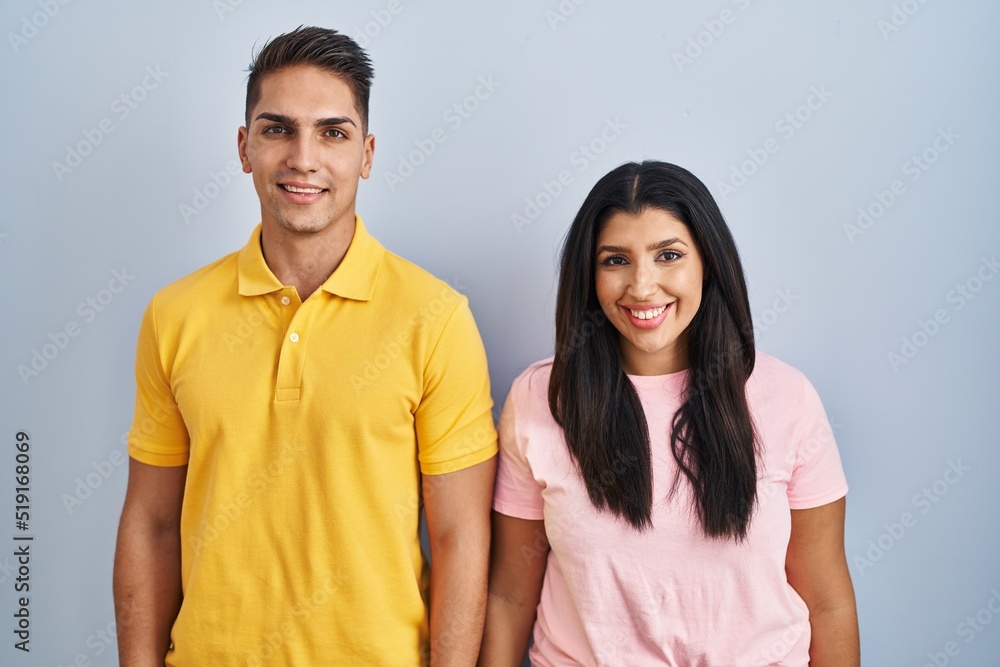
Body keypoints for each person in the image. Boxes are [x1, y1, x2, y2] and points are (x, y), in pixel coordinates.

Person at [113, 26, 497, 666]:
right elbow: (150, 525)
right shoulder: (174, 316)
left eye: (333, 132)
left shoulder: (436, 318)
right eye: (277, 129)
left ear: (367, 154)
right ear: (244, 147)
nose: (303, 157)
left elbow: (461, 536)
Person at [480, 161, 859, 666]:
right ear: (588, 275)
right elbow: (509, 594)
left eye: (669, 256)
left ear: (708, 262)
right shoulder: (540, 398)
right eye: (615, 260)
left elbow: (827, 603)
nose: (642, 286)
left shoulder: (787, 398)